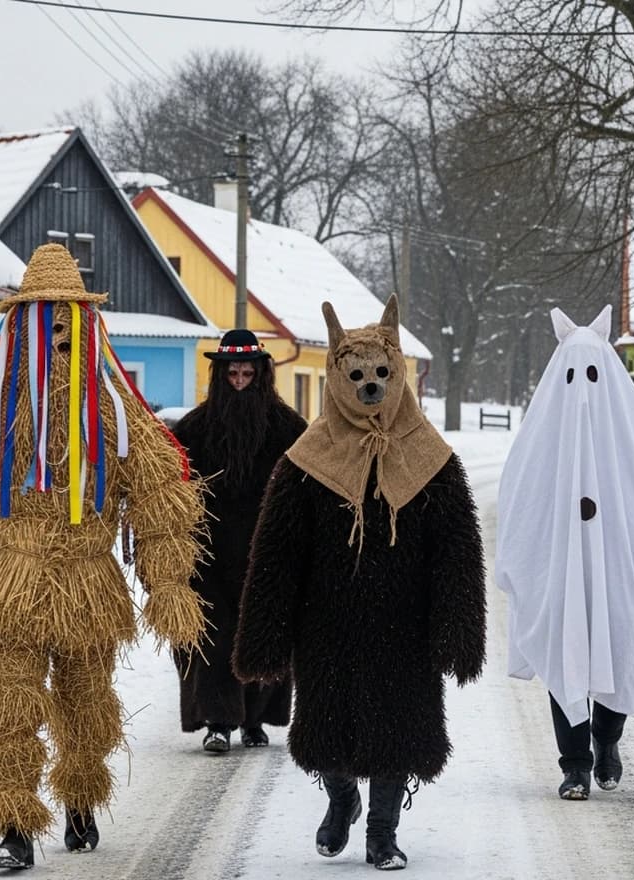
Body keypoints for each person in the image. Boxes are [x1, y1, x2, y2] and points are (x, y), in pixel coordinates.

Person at [0, 244, 205, 869]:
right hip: (12, 577)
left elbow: (160, 499)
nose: (56, 328)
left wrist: (168, 583)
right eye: (44, 315)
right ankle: (13, 824)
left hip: (91, 581)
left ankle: (80, 798)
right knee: (14, 702)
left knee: (88, 701)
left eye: (66, 315)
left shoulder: (115, 411)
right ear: (21, 321)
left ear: (86, 320)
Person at [233, 295, 487, 871]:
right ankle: (341, 796)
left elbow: (457, 551)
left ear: (396, 376)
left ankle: (383, 829)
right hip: (326, 622)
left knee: (398, 727)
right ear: (337, 378)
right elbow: (275, 552)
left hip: (406, 624)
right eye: (357, 375)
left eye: (380, 374)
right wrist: (265, 636)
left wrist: (458, 629)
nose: (369, 386)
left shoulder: (431, 457)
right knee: (326, 726)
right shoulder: (307, 458)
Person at [495, 305, 634, 801]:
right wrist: (522, 561)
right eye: (573, 375)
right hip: (559, 572)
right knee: (564, 655)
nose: (583, 388)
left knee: (619, 651)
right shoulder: (540, 438)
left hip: (619, 569)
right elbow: (520, 497)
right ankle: (574, 765)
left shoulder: (633, 438)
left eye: (593, 374)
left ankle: (607, 739)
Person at [170, 329, 306, 753]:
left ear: (262, 373)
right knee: (213, 634)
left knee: (265, 632)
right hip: (208, 550)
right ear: (221, 373)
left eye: (248, 372)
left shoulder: (289, 428)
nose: (241, 379)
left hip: (270, 548)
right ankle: (218, 720)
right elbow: (172, 482)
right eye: (234, 372)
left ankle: (256, 717)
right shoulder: (195, 427)